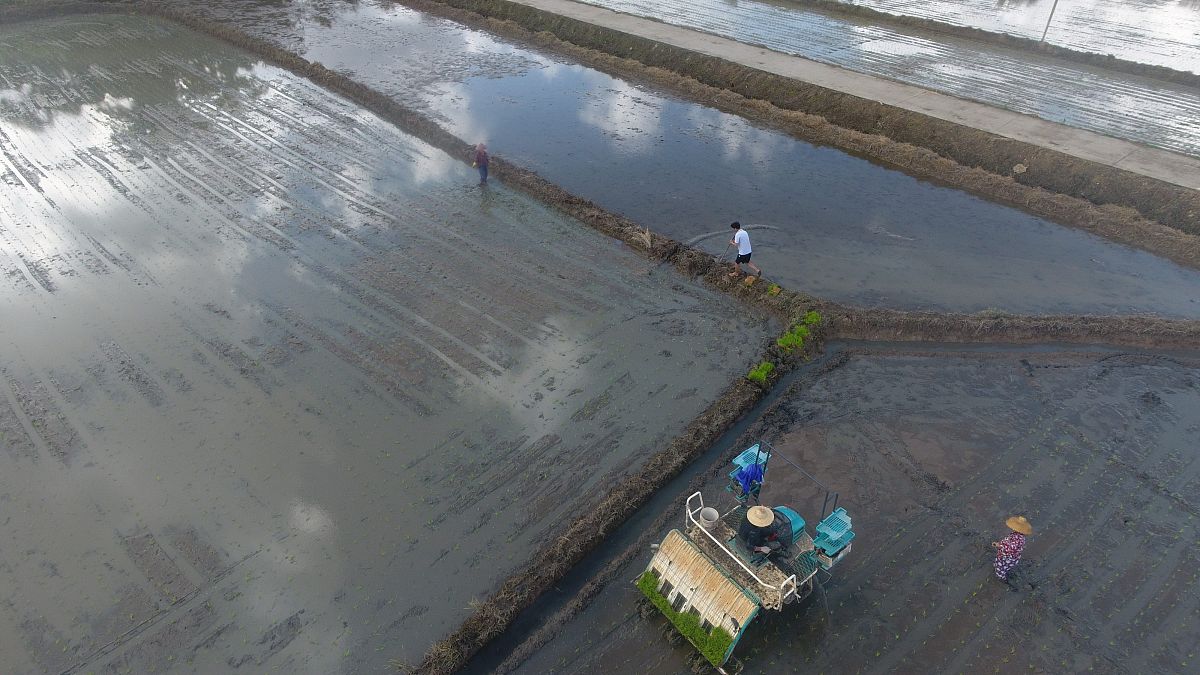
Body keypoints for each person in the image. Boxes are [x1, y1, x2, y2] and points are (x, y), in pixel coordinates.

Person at [992, 515, 1032, 585]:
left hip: (1008, 556)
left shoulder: (1017, 539)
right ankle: (999, 570)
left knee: (1001, 567)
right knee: (1001, 564)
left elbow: (1010, 548)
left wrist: (999, 545)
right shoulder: (1019, 536)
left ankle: (1001, 577)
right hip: (1012, 555)